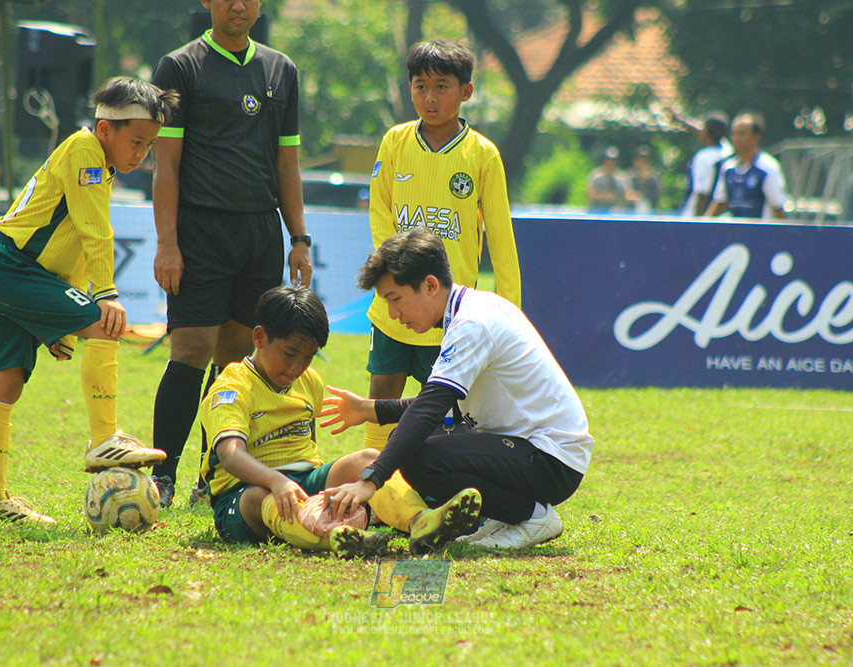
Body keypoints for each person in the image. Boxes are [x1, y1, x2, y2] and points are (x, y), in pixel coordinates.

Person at [0, 77, 177, 525]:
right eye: (137, 141)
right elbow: (94, 230)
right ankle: (104, 438)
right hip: (13, 268)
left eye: (150, 144)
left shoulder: (97, 161)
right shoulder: (85, 149)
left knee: (4, 386)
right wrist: (104, 296)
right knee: (108, 324)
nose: (142, 152)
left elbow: (74, 242)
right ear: (106, 129)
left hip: (6, 267)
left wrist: (65, 320)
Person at [320, 227, 593, 550]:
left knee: (418, 457)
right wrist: (370, 410)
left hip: (551, 460)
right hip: (534, 451)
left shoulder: (472, 324)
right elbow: (440, 405)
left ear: (430, 285)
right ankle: (508, 514)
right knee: (419, 439)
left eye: (395, 299)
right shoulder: (469, 311)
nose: (393, 315)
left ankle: (531, 516)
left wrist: (372, 479)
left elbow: (432, 406)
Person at [149, 0, 313, 508]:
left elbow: (287, 163)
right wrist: (168, 243)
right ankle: (163, 476)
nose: (238, 5)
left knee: (238, 361)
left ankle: (211, 476)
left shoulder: (281, 70)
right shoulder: (179, 67)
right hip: (201, 231)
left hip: (260, 232)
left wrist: (299, 237)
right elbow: (166, 165)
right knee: (191, 349)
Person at [199, 285, 482, 558]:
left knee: (368, 459)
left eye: (308, 358)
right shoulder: (232, 387)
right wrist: (276, 480)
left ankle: (423, 522)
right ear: (259, 337)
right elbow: (231, 455)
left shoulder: (309, 382)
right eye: (289, 354)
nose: (297, 367)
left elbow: (306, 447)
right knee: (261, 498)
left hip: (305, 481)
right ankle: (335, 538)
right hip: (245, 494)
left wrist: (313, 490)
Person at [364, 39, 521, 459]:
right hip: (394, 307)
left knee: (441, 409)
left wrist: (508, 313)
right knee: (382, 391)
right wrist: (394, 272)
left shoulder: (483, 155)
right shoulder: (395, 141)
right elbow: (379, 211)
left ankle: (427, 488)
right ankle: (375, 489)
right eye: (419, 86)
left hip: (451, 315)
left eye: (441, 86)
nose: (429, 98)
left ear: (465, 91)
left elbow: (502, 241)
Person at [706, 113, 787, 220]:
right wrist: (702, 225)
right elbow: (720, 203)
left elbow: (778, 208)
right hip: (735, 235)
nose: (736, 138)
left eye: (741, 134)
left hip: (760, 234)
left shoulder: (767, 168)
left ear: (756, 137)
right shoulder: (728, 168)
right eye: (734, 134)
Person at [671, 110, 732, 217]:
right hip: (720, 216)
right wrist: (681, 121)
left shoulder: (704, 158)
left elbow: (702, 195)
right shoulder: (728, 150)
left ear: (706, 131)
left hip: (697, 215)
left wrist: (698, 223)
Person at [586, 146, 630, 213]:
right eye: (608, 161)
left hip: (614, 213)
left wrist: (632, 197)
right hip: (596, 212)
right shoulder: (596, 176)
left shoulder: (621, 178)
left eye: (613, 161)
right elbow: (590, 195)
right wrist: (605, 197)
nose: (610, 164)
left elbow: (627, 195)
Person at [629, 145, 662, 213]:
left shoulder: (654, 179)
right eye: (639, 160)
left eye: (644, 160)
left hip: (650, 212)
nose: (641, 163)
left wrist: (641, 196)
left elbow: (656, 197)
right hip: (631, 211)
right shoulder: (630, 177)